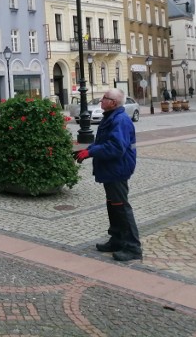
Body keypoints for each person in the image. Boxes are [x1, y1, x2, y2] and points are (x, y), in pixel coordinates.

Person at [74, 88, 141, 262]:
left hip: (118, 169)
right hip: (111, 169)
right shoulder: (110, 117)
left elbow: (116, 148)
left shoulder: (120, 120)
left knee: (121, 207)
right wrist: (88, 150)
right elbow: (103, 142)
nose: (101, 100)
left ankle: (132, 247)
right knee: (113, 205)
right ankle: (117, 239)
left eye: (105, 98)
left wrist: (91, 152)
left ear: (114, 103)